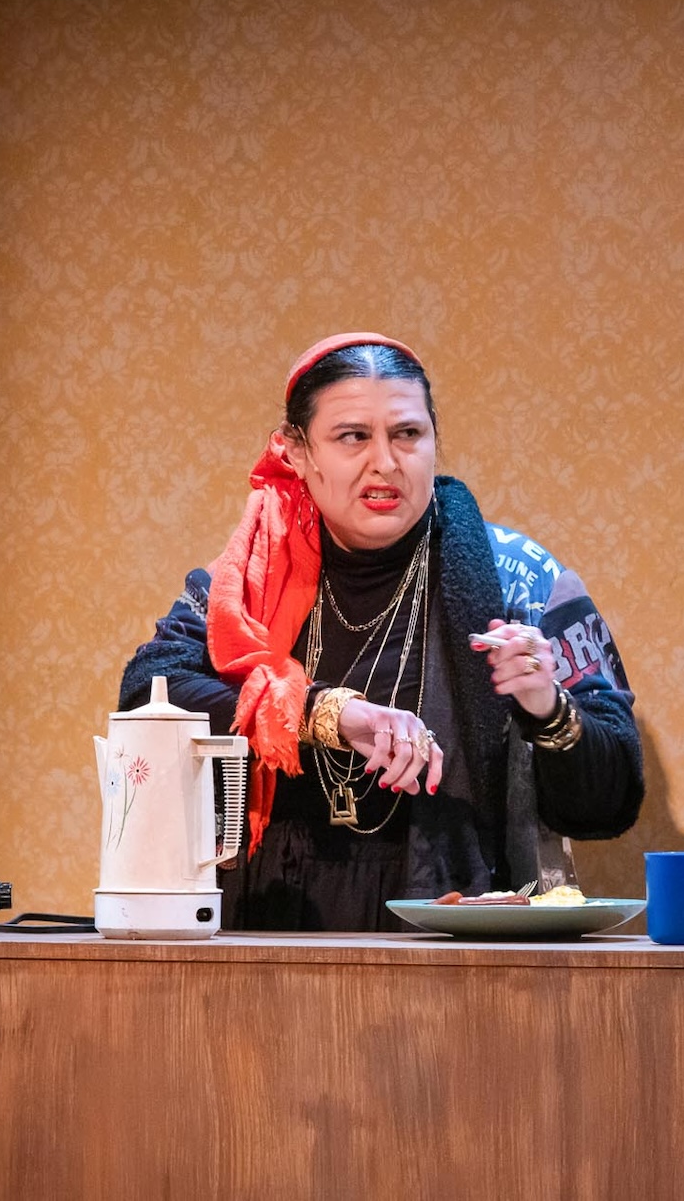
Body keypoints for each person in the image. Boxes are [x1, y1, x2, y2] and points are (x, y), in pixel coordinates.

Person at [117, 332, 645, 931]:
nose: (386, 463)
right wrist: (325, 714)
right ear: (296, 451)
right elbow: (146, 693)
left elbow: (611, 802)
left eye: (407, 434)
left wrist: (547, 707)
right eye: (352, 437)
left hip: (445, 923)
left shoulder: (519, 580)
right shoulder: (245, 582)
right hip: (261, 920)